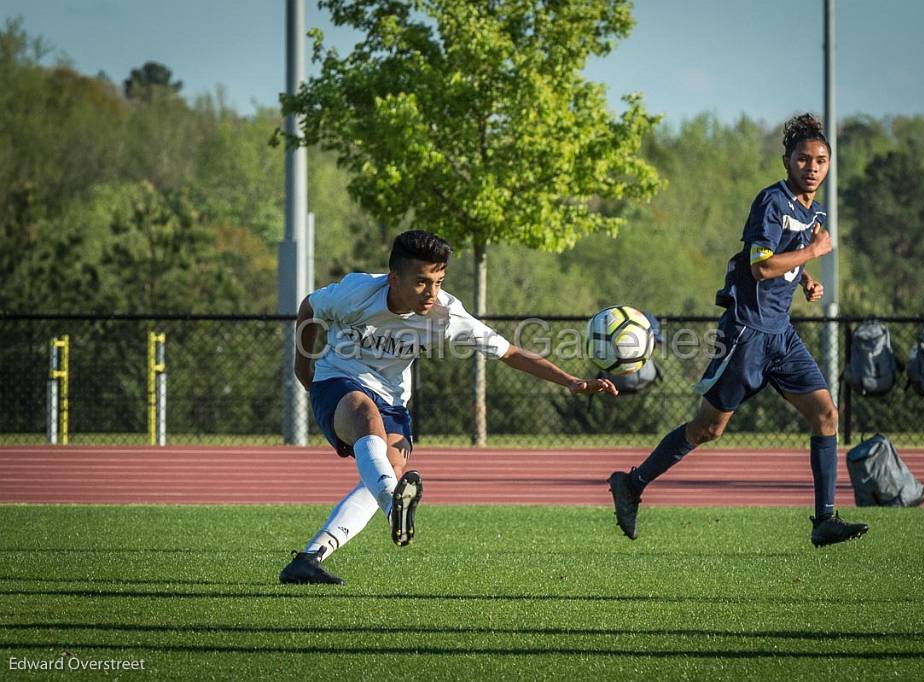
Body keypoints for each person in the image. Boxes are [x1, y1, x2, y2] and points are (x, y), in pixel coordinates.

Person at [280, 230, 618, 584]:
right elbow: (309, 307)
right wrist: (303, 369)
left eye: (438, 282)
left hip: (392, 400)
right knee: (367, 419)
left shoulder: (447, 315)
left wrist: (571, 382)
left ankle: (309, 558)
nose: (432, 293)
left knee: (384, 472)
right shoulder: (356, 294)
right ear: (393, 278)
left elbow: (511, 353)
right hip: (337, 381)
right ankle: (394, 503)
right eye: (422, 282)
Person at [607, 113, 869, 548]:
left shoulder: (814, 209)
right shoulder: (771, 202)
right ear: (787, 160)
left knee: (826, 414)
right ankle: (632, 484)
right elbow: (761, 265)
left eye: (821, 160)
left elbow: (787, 257)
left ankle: (825, 519)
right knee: (708, 429)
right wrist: (814, 250)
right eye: (803, 159)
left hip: (780, 334)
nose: (813, 167)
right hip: (747, 332)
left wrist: (806, 278)